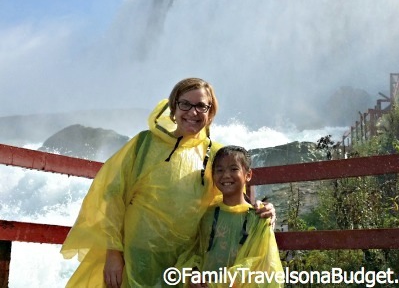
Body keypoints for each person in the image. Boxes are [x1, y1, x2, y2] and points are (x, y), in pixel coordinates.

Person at [60, 78, 275, 287]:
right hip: (136, 257)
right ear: (173, 109)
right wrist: (113, 253)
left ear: (210, 113)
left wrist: (264, 211)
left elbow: (230, 199)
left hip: (185, 264)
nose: (193, 112)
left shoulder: (217, 154)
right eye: (185, 104)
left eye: (201, 106)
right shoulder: (143, 144)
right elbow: (112, 197)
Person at [176, 145, 283, 288]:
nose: (226, 175)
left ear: (248, 175)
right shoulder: (207, 215)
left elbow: (261, 263)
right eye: (219, 170)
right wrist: (193, 273)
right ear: (213, 176)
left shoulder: (258, 218)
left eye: (234, 169)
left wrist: (218, 284)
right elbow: (195, 252)